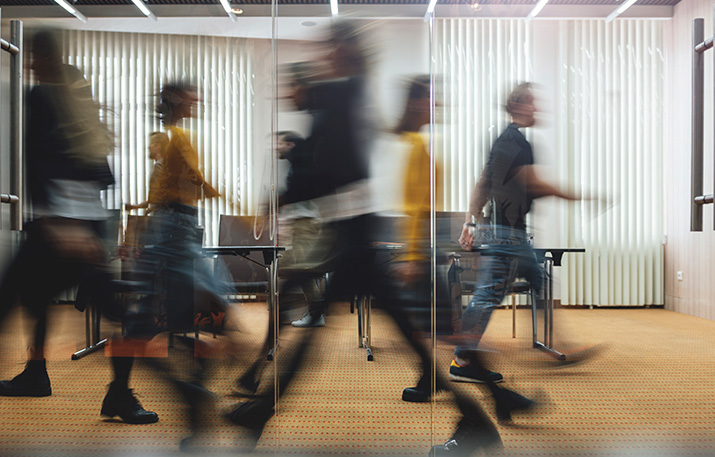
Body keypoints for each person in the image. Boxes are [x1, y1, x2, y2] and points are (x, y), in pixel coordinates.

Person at [101, 83, 223, 430]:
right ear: (177, 101)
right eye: (191, 96)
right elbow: (193, 184)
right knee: (182, 310)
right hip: (175, 229)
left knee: (170, 311)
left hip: (175, 227)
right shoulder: (175, 137)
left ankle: (126, 392)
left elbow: (175, 190)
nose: (198, 100)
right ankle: (183, 389)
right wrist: (232, 203)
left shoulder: (175, 137)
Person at [0, 30, 114, 398]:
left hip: (61, 224)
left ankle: (39, 373)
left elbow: (40, 160)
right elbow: (101, 170)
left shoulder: (44, 93)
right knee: (39, 298)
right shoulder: (78, 96)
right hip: (88, 221)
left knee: (13, 296)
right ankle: (38, 373)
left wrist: (57, 221)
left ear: (44, 56)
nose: (29, 63)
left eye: (33, 55)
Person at [453, 82, 582, 383]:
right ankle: (461, 360)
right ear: (518, 106)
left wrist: (471, 222)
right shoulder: (515, 142)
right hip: (506, 234)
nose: (538, 108)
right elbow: (534, 184)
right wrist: (579, 196)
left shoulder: (505, 140)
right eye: (533, 103)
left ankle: (557, 344)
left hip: (509, 232)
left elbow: (482, 182)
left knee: (539, 281)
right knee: (487, 296)